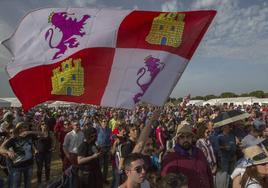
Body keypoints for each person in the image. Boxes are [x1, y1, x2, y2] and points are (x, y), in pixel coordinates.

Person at [161, 123, 213, 188]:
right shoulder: (171, 157)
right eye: (182, 137)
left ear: (192, 138)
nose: (185, 139)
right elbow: (167, 183)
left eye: (188, 136)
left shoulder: (199, 152)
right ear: (178, 139)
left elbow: (208, 174)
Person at [0, 122, 43, 188]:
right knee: (16, 185)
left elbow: (43, 134)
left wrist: (30, 132)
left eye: (25, 127)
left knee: (28, 184)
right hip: (17, 167)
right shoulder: (13, 139)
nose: (24, 129)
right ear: (18, 129)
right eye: (21, 128)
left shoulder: (30, 136)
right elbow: (1, 149)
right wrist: (8, 152)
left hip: (29, 165)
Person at [96, 117, 112, 184]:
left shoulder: (109, 130)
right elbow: (94, 138)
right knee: (99, 165)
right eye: (103, 121)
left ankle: (104, 179)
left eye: (106, 121)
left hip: (107, 149)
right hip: (100, 149)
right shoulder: (97, 129)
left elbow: (111, 139)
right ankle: (98, 179)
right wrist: (97, 145)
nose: (105, 122)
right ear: (101, 122)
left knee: (106, 166)